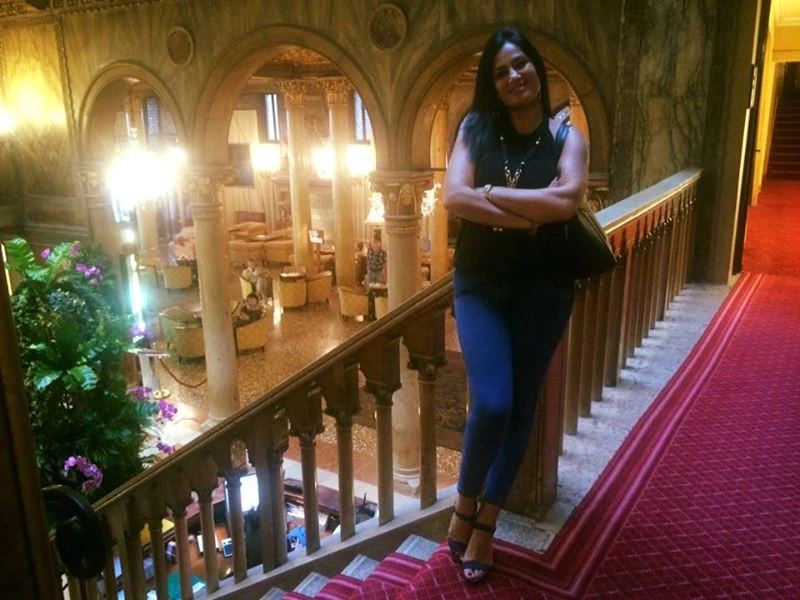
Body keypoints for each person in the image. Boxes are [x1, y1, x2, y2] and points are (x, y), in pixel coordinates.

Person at [442, 27, 588, 584]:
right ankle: (464, 505)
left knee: (522, 406)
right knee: (494, 403)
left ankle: (487, 524)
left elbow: (567, 201)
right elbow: (453, 197)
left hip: (543, 290)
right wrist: (530, 213)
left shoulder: (567, 137)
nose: (514, 77)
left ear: (537, 69)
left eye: (521, 64)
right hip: (479, 285)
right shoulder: (475, 129)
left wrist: (489, 196)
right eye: (501, 72)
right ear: (492, 83)